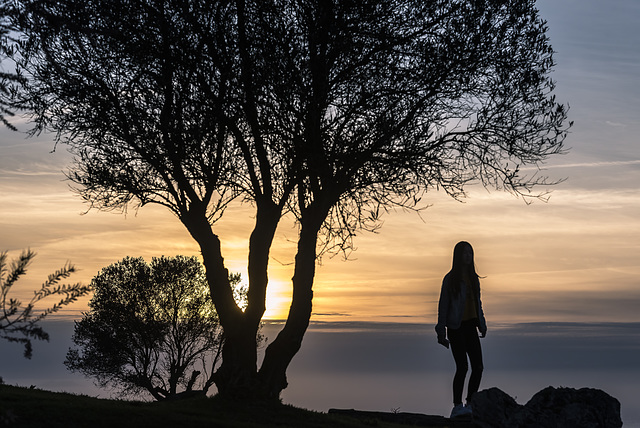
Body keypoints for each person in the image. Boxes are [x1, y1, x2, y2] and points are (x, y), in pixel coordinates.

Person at [435, 241, 487, 419]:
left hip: (471, 326)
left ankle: (470, 403)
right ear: (458, 256)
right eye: (465, 253)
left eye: (470, 253)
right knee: (462, 367)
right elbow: (443, 305)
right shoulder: (450, 279)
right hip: (456, 327)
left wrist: (482, 322)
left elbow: (477, 303)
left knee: (478, 367)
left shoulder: (473, 278)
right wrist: (441, 330)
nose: (468, 256)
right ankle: (457, 406)